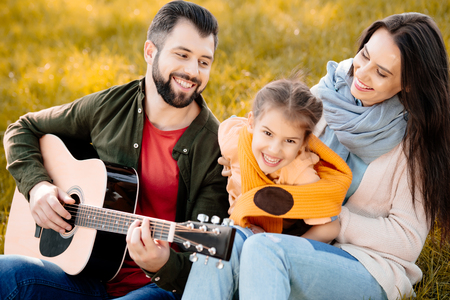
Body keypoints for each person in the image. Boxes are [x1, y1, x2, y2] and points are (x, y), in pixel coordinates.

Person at [182, 12, 450, 300]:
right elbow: (281, 152)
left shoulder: (417, 140)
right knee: (220, 241)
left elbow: (405, 240)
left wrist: (325, 213)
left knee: (266, 249)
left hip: (367, 265)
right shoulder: (327, 95)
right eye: (364, 55)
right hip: (297, 240)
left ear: (409, 83)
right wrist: (247, 166)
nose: (361, 73)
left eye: (381, 72)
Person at [1, 1, 229, 299]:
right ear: (150, 51)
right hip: (80, 274)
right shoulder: (110, 107)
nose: (192, 71)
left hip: (154, 288)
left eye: (203, 61)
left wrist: (162, 264)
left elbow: (204, 272)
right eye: (182, 55)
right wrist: (38, 187)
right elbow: (23, 128)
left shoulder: (216, 148)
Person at [182, 78, 352, 299]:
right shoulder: (233, 139)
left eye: (289, 141)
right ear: (251, 124)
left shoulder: (300, 173)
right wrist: (231, 167)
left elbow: (329, 228)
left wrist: (276, 243)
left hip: (275, 244)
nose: (274, 150)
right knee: (218, 241)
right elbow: (230, 124)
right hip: (241, 228)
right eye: (268, 133)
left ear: (303, 143)